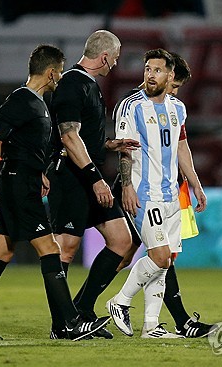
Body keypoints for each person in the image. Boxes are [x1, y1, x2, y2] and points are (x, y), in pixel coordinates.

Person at [0, 44, 109, 341]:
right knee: (50, 249)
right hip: (17, 185)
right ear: (51, 72)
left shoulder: (37, 102)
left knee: (2, 251)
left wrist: (39, 171)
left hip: (25, 180)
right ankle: (68, 323)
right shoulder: (21, 100)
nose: (61, 78)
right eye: (60, 72)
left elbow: (24, 144)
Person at [111, 52, 213, 338]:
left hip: (171, 196)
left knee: (166, 261)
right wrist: (128, 186)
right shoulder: (131, 106)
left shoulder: (178, 108)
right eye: (147, 68)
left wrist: (195, 183)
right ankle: (120, 301)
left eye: (157, 70)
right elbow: (124, 148)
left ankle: (151, 326)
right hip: (145, 193)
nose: (150, 74)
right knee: (158, 255)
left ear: (170, 76)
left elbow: (182, 148)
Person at [46, 30, 140, 339]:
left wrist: (109, 145)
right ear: (103, 57)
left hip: (88, 175)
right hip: (72, 178)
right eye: (114, 58)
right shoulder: (72, 84)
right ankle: (62, 324)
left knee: (123, 241)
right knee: (66, 249)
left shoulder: (88, 85)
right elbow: (68, 136)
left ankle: (83, 311)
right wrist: (96, 178)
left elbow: (82, 136)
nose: (115, 64)